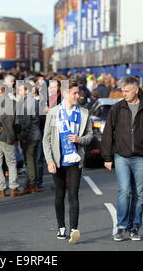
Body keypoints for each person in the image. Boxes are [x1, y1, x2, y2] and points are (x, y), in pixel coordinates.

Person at [101, 76, 143, 242]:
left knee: (139, 194)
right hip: (121, 156)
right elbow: (107, 132)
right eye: (123, 91)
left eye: (127, 91)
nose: (124, 94)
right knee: (125, 191)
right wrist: (107, 156)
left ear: (136, 90)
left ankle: (134, 227)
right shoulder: (117, 108)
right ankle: (121, 227)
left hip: (141, 157)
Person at [43, 79, 93, 244]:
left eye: (78, 93)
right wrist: (49, 160)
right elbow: (46, 139)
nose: (78, 96)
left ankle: (74, 229)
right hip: (58, 161)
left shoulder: (84, 113)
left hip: (75, 160)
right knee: (60, 195)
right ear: (65, 93)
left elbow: (90, 136)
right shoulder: (53, 113)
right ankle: (61, 227)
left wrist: (80, 139)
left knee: (74, 194)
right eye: (74, 93)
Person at [0, 83, 25, 197]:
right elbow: (18, 122)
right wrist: (16, 134)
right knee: (11, 163)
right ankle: (13, 188)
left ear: (0, 91)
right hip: (9, 136)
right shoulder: (14, 104)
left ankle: (1, 189)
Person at [17, 82, 42, 193]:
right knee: (33, 159)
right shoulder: (35, 101)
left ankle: (31, 184)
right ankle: (33, 183)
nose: (19, 92)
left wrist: (22, 136)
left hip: (30, 135)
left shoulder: (27, 102)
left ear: (26, 90)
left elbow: (26, 122)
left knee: (29, 159)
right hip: (36, 133)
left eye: (20, 90)